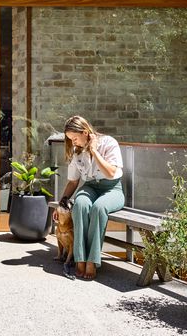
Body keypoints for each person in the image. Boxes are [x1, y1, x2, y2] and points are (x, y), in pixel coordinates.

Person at [54, 115, 124, 280]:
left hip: (112, 189)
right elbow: (73, 182)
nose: (73, 143)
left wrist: (93, 151)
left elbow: (111, 173)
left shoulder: (109, 143)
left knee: (99, 208)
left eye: (75, 138)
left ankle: (92, 261)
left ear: (85, 132)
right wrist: (60, 204)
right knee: (80, 204)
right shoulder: (77, 152)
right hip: (90, 187)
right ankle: (80, 258)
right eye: (70, 139)